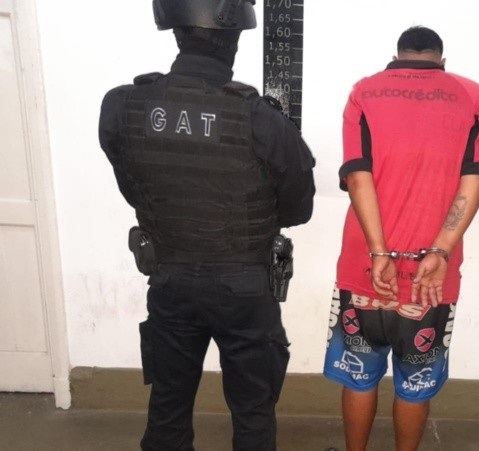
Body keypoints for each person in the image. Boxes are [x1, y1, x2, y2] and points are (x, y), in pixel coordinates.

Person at [98, 1, 315, 449]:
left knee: (168, 406)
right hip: (245, 286)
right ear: (234, 38)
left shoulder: (123, 105)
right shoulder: (260, 117)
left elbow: (132, 187)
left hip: (169, 278)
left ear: (175, 32)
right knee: (253, 412)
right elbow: (298, 209)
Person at [322, 26, 479, 451]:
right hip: (430, 279)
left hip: (365, 270)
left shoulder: (364, 92)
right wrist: (441, 249)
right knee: (414, 385)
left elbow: (357, 176)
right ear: (443, 61)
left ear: (396, 57)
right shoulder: (472, 96)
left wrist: (379, 252)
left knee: (359, 377)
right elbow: (476, 178)